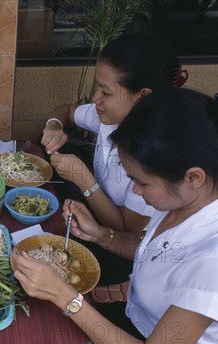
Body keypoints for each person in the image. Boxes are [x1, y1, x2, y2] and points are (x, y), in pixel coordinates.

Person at [0, 88, 218, 344]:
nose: (137, 193)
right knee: (32, 323)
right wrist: (101, 235)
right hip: (134, 324)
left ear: (194, 177)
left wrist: (65, 296)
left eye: (142, 182)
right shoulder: (188, 206)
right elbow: (154, 253)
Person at [41, 32, 187, 234]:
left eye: (106, 92)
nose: (95, 98)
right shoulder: (111, 115)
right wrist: (54, 125)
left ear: (143, 95)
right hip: (91, 221)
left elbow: (126, 230)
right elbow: (67, 112)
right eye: (98, 87)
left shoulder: (158, 150)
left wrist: (84, 179)